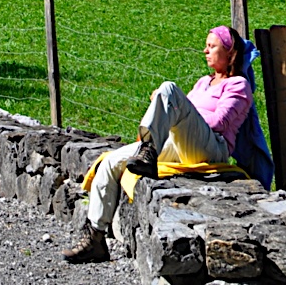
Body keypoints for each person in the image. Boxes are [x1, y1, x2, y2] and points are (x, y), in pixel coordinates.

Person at [63, 25, 253, 265]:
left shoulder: (237, 85)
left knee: (169, 89)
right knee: (110, 161)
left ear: (229, 53)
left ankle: (149, 150)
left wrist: (174, 106)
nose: (205, 51)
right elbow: (181, 115)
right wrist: (167, 106)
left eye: (212, 46)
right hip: (181, 143)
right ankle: (95, 238)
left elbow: (218, 122)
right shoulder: (203, 83)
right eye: (206, 45)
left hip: (212, 148)